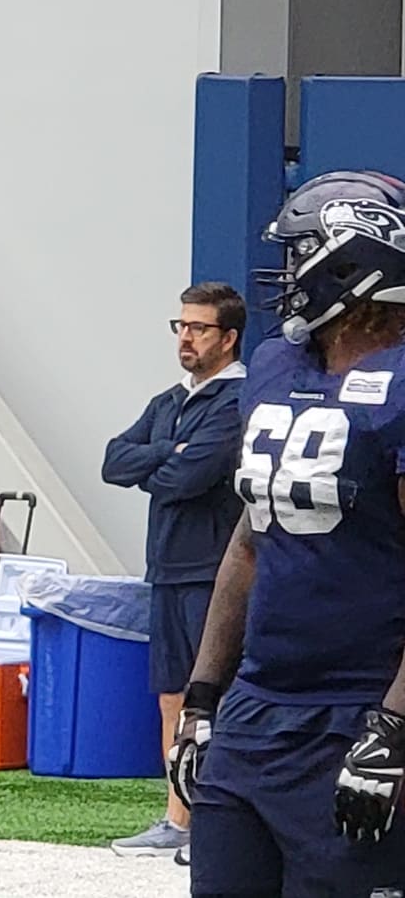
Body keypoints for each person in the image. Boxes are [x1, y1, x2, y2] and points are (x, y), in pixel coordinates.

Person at [168, 170, 405, 896]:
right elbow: (250, 539)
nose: (286, 271)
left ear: (351, 261)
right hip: (255, 709)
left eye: (301, 250)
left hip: (358, 709)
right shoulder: (275, 364)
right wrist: (204, 694)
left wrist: (393, 728)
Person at [102, 282, 246, 859]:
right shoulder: (169, 401)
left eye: (198, 328)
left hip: (213, 572)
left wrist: (162, 460)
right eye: (180, 326)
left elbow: (193, 479)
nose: (185, 338)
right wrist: (169, 452)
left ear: (228, 337)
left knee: (215, 696)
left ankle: (219, 822)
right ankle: (177, 817)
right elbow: (115, 459)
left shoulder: (239, 401)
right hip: (165, 567)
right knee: (171, 698)